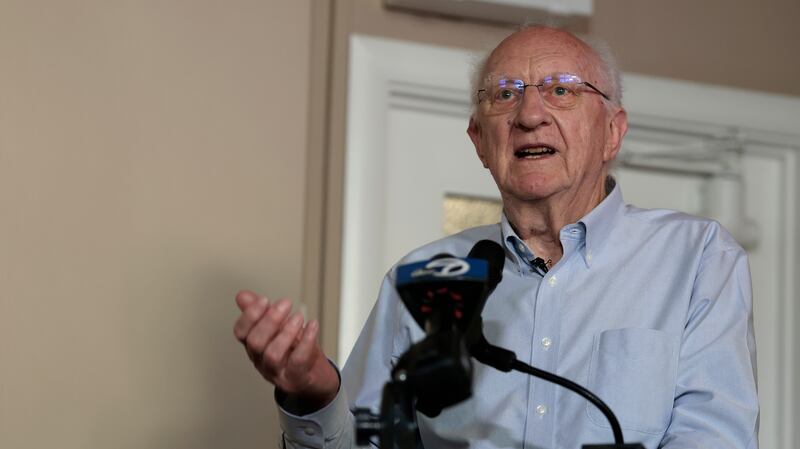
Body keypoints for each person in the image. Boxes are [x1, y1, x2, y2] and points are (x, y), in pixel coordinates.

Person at [233, 25, 759, 449]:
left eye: (561, 90)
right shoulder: (422, 278)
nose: (530, 115)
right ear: (480, 141)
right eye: (505, 95)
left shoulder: (696, 258)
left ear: (613, 132)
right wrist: (314, 397)